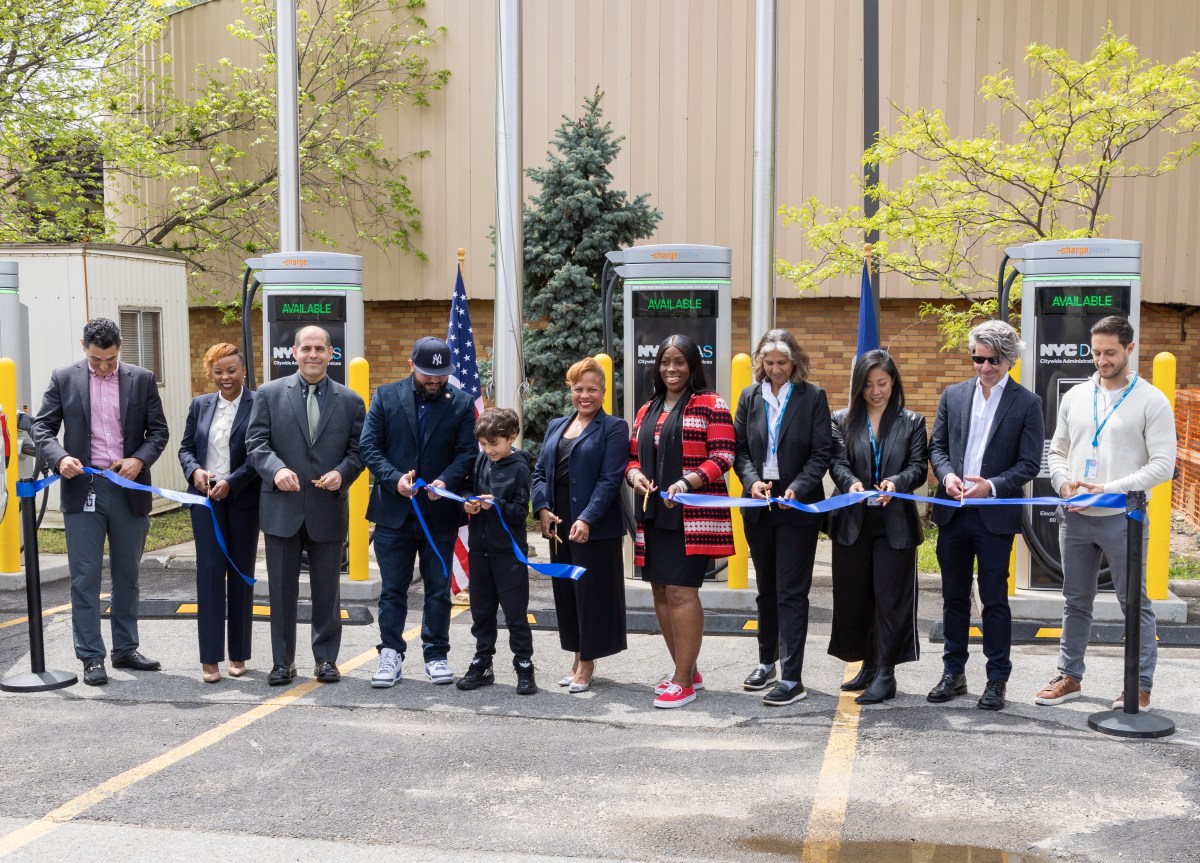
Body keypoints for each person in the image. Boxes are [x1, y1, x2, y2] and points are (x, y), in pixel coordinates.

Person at [1036, 315, 1176, 711]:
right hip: (1076, 516)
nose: (1101, 360)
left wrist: (1109, 489)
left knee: (1134, 603)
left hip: (1123, 518)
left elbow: (1163, 465)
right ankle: (1069, 676)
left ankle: (1139, 686)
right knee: (1075, 600)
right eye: (1096, 352)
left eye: (1110, 352)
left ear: (1130, 349)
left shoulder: (1151, 400)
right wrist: (1063, 482)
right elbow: (1057, 450)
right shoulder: (1076, 396)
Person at [32, 317, 170, 686]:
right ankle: (91, 657)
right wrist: (60, 458)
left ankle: (126, 649)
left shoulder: (141, 378)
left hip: (129, 488)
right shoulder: (64, 377)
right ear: (83, 347)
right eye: (96, 360)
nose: (104, 367)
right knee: (85, 577)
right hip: (84, 488)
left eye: (110, 359)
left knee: (128, 575)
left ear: (120, 345)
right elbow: (42, 428)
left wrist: (139, 459)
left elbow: (159, 431)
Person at [928, 319, 1043, 711]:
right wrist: (946, 477)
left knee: (993, 599)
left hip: (994, 516)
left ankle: (997, 679)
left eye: (992, 360)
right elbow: (937, 447)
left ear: (1009, 359)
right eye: (977, 358)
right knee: (953, 597)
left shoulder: (1027, 403)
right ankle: (953, 674)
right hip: (954, 514)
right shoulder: (954, 395)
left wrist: (990, 485)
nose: (984, 367)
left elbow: (1029, 464)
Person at [245, 325, 365, 687]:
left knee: (327, 591)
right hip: (282, 507)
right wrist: (275, 469)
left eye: (320, 349)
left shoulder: (350, 401)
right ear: (294, 353)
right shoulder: (268, 394)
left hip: (327, 506)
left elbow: (358, 452)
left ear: (331, 354)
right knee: (280, 591)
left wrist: (342, 474)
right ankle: (282, 662)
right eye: (306, 348)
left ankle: (326, 659)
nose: (313, 355)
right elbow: (255, 444)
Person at [359, 336, 476, 687]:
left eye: (441, 375)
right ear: (411, 366)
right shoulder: (385, 396)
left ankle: (436, 654)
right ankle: (390, 655)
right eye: (428, 374)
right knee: (393, 589)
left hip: (439, 515)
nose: (435, 381)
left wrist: (446, 480)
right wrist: (394, 479)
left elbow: (467, 452)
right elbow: (369, 446)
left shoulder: (462, 403)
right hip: (393, 512)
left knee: (438, 588)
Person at [627, 334, 735, 709]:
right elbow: (631, 456)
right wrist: (635, 475)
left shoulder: (711, 403)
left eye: (679, 362)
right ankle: (686, 669)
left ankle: (683, 681)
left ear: (692, 365)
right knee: (659, 591)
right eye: (665, 362)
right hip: (653, 514)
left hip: (692, 515)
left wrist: (687, 481)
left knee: (681, 592)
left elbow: (723, 455)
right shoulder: (647, 409)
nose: (671, 369)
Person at [733, 329, 831, 706]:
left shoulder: (812, 397)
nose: (776, 370)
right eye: (769, 363)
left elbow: (821, 452)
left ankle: (793, 677)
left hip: (797, 506)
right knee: (766, 590)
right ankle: (766, 662)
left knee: (791, 593)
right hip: (760, 505)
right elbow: (740, 449)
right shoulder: (749, 396)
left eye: (783, 363)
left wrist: (800, 488)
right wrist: (753, 481)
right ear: (760, 363)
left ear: (796, 362)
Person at [828, 350, 929, 705]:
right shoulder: (841, 420)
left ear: (893, 383)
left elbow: (919, 466)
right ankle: (868, 664)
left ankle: (887, 672)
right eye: (868, 384)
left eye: (882, 383)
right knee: (857, 599)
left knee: (892, 601)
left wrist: (897, 482)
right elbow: (836, 463)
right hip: (853, 522)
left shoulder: (911, 421)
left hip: (894, 525)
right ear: (858, 386)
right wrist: (850, 484)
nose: (876, 391)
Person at [532, 357, 629, 693]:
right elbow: (540, 473)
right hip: (558, 524)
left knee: (591, 595)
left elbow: (610, 478)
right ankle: (576, 656)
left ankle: (587, 663)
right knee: (568, 594)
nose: (585, 395)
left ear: (603, 392)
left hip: (594, 526)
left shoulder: (614, 427)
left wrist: (587, 517)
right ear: (570, 390)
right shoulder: (556, 424)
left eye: (592, 389)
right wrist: (542, 508)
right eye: (578, 389)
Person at [178, 343, 260, 683]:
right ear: (209, 373)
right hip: (205, 500)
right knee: (209, 576)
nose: (225, 377)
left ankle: (238, 654)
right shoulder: (200, 405)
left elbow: (261, 452)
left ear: (242, 370)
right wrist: (195, 471)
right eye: (218, 371)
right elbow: (185, 448)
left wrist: (233, 482)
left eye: (231, 370)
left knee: (241, 575)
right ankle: (209, 659)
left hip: (242, 499)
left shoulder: (259, 403)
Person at [455, 408, 536, 694]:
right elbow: (465, 488)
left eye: (494, 444)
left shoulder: (519, 467)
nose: (488, 450)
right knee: (482, 611)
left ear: (511, 437)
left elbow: (519, 512)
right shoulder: (480, 460)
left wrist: (496, 505)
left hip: (508, 554)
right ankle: (483, 663)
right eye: (484, 444)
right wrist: (467, 503)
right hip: (479, 550)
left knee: (515, 613)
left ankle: (524, 665)